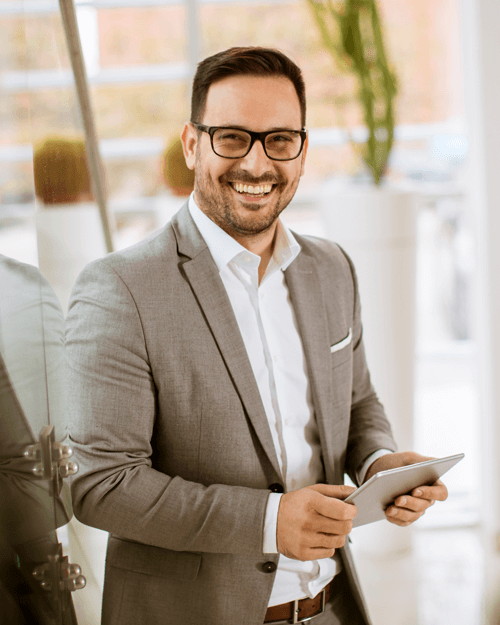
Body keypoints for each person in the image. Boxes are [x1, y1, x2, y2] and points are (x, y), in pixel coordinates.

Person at [65, 47, 448, 625]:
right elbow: (101, 485)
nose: (257, 163)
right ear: (193, 144)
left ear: (301, 150)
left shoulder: (331, 267)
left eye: (279, 140)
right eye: (232, 138)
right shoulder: (119, 289)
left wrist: (378, 467)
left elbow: (357, 402)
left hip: (332, 608)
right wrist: (269, 522)